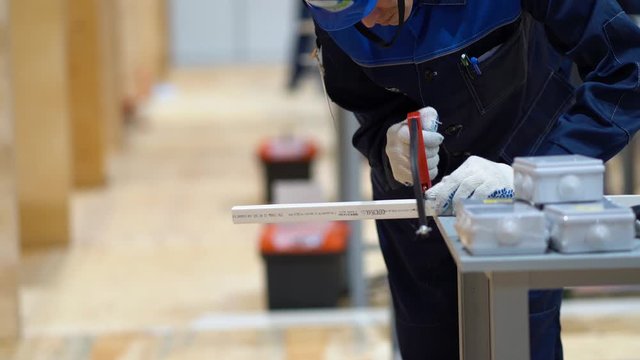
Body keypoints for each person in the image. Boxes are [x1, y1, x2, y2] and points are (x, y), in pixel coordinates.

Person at [303, 1, 640, 359]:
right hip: (418, 213)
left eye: (372, 3)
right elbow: (365, 102)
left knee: (516, 342)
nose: (367, 22)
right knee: (427, 342)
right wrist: (388, 147)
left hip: (518, 204)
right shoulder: (338, 10)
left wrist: (535, 175)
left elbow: (627, 69)